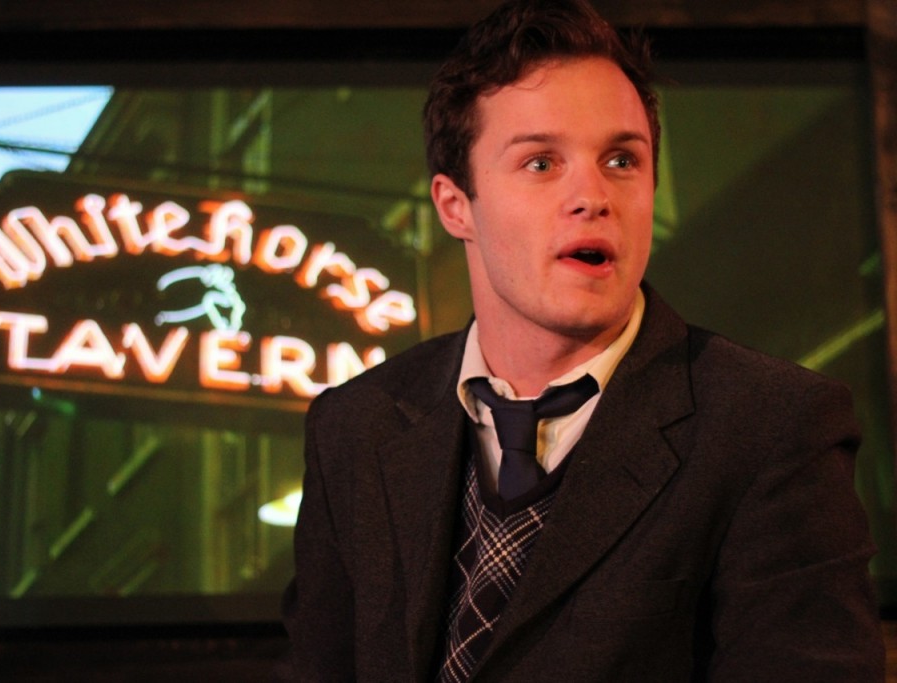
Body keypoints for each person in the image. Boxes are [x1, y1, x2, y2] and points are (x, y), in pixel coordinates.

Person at [281, 0, 885, 680]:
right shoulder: (353, 428)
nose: (592, 195)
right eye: (541, 163)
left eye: (622, 159)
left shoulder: (772, 428)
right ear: (456, 205)